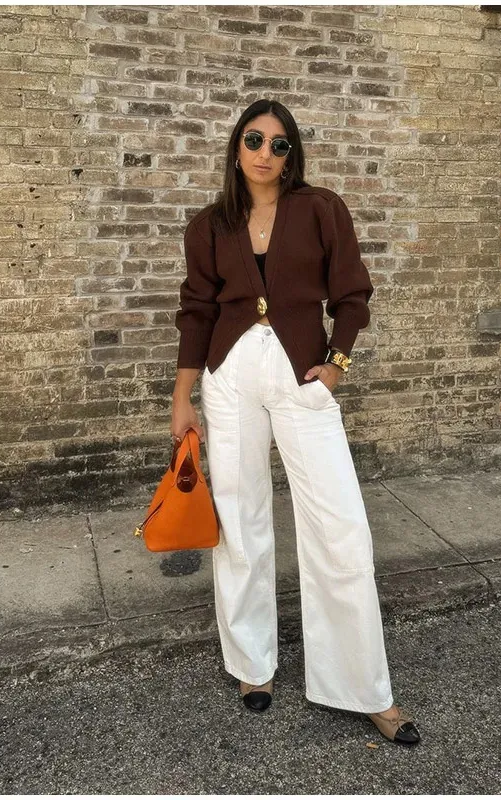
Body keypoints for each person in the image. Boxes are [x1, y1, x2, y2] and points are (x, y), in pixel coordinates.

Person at [170, 99, 420, 747]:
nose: (266, 153)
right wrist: (182, 396)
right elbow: (196, 312)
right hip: (229, 377)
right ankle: (252, 665)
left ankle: (365, 688)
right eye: (254, 140)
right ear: (236, 148)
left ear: (292, 154)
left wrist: (336, 364)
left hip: (302, 376)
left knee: (340, 528)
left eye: (279, 144)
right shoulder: (209, 225)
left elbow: (353, 296)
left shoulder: (321, 209)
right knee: (240, 521)